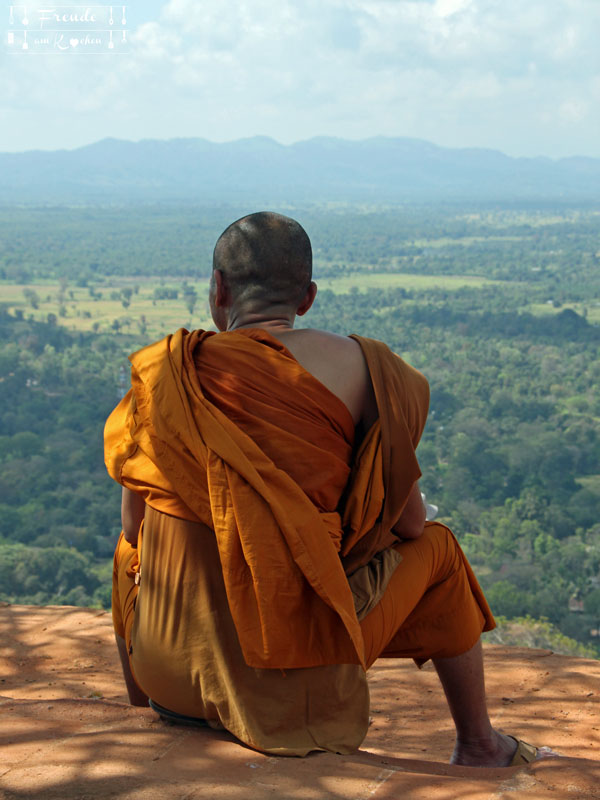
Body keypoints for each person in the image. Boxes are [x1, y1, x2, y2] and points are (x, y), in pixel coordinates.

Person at [106, 211, 550, 766]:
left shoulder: (167, 374)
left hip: (170, 678)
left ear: (217, 290)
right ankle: (480, 744)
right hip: (290, 689)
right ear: (309, 297)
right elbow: (411, 525)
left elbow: (133, 527)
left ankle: (144, 706)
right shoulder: (367, 370)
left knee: (128, 550)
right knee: (439, 548)